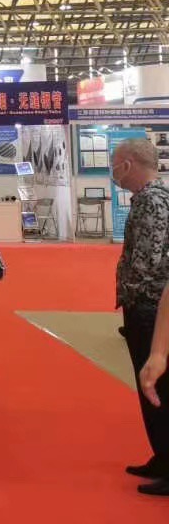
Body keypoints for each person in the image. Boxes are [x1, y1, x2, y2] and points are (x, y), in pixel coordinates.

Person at [107, 139, 169, 493]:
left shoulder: (150, 200)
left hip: (148, 306)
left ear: (128, 164)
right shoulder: (156, 197)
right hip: (152, 305)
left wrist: (129, 293)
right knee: (154, 387)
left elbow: (147, 259)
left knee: (155, 387)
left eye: (115, 164)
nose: (114, 171)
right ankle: (161, 456)